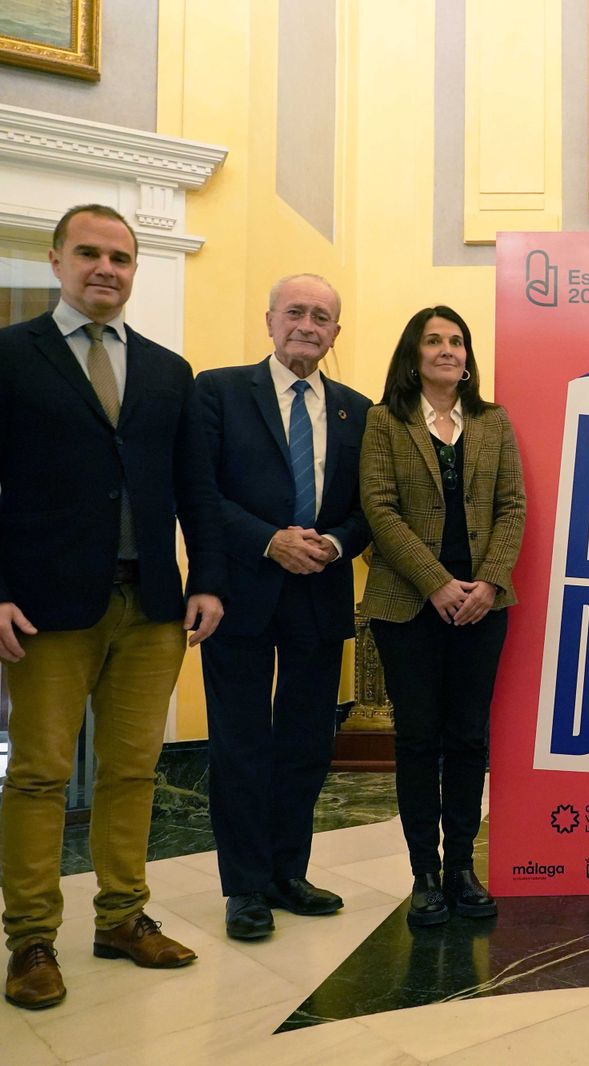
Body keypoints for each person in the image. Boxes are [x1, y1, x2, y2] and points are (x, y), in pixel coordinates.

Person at [0, 204, 226, 1009]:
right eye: (90, 254)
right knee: (38, 776)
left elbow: (195, 491)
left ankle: (122, 918)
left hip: (154, 608)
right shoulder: (1, 357)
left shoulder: (170, 370)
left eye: (122, 257)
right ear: (58, 260)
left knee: (133, 770)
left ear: (135, 270)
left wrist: (207, 580)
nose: (107, 268)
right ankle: (31, 939)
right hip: (43, 609)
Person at [194, 274, 372, 940]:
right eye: (295, 312)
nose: (307, 324)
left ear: (335, 334)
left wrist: (334, 541)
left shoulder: (360, 410)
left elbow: (367, 511)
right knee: (239, 745)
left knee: (305, 744)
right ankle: (243, 888)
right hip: (240, 593)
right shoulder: (218, 391)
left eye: (321, 316)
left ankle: (287, 873)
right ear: (269, 319)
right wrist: (269, 541)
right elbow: (200, 492)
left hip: (320, 595)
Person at [359, 305, 525, 926]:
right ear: (414, 354)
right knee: (418, 737)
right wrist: (436, 584)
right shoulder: (385, 422)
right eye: (434, 341)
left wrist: (488, 583)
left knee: (468, 738)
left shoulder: (492, 422)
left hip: (483, 607)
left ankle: (461, 867)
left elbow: (512, 507)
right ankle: (423, 875)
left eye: (456, 341)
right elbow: (379, 510)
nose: (447, 350)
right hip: (410, 607)